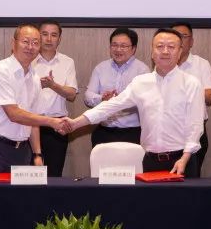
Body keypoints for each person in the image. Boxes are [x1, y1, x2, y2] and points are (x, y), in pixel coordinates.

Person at [64, 29, 203, 176]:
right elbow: (110, 107)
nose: (165, 51)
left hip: (182, 161)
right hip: (150, 160)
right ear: (152, 51)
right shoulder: (140, 82)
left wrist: (185, 158)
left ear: (180, 51)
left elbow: (195, 125)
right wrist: (75, 123)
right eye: (160, 46)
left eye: (171, 47)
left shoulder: (191, 83)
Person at [0, 24, 69, 174]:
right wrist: (52, 122)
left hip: (22, 151)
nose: (30, 47)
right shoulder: (1, 71)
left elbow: (33, 119)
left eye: (35, 43)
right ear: (13, 43)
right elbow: (14, 114)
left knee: (20, 190)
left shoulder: (34, 78)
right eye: (25, 41)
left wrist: (37, 154)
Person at [84, 28, 149, 147]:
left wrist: (123, 101)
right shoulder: (101, 68)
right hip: (104, 131)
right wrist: (102, 98)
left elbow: (146, 102)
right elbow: (88, 96)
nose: (118, 49)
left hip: (133, 133)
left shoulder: (142, 70)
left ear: (133, 48)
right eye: (114, 45)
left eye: (123, 46)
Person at [32, 20, 78, 177]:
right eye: (44, 34)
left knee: (54, 174)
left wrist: (53, 85)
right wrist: (37, 85)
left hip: (57, 125)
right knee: (30, 175)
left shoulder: (67, 62)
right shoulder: (28, 60)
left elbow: (72, 94)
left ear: (59, 39)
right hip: (31, 124)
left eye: (53, 35)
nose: (48, 39)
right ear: (38, 36)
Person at [172, 22, 211, 176]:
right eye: (175, 36)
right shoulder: (164, 64)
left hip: (195, 129)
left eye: (183, 36)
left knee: (192, 176)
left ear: (191, 41)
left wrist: (185, 92)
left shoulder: (201, 64)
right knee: (168, 176)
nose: (179, 39)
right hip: (171, 129)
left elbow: (209, 98)